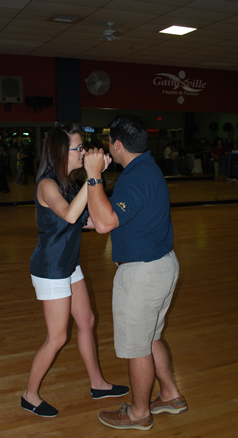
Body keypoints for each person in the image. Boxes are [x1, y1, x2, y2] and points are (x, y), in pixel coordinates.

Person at [83, 114, 187, 432]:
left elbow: (105, 223)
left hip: (143, 274)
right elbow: (111, 214)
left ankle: (139, 413)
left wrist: (92, 175)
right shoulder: (145, 170)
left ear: (117, 145)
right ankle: (169, 394)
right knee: (151, 337)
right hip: (160, 266)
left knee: (137, 347)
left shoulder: (136, 177)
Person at [21, 123, 128, 418]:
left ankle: (97, 384)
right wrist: (93, 177)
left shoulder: (68, 182)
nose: (83, 152)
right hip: (51, 268)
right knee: (57, 338)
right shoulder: (48, 184)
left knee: (87, 320)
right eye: (77, 148)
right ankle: (29, 395)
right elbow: (69, 215)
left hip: (69, 264)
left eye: (83, 147)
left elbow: (85, 221)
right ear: (60, 151)